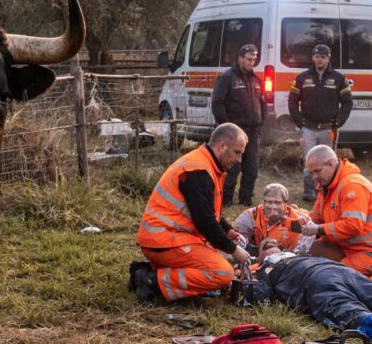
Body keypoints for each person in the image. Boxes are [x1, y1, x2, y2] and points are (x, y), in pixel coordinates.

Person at [130, 123, 252, 306]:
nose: (239, 159)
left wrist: (226, 230)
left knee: (220, 258)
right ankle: (151, 281)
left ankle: (148, 271)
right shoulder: (199, 171)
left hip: (168, 238)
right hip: (165, 241)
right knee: (222, 272)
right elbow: (205, 221)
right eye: (237, 152)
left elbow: (207, 213)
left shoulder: (205, 164)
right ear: (222, 147)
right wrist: (234, 250)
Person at [250, 239, 372, 343]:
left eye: (273, 245)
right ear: (260, 256)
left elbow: (260, 296)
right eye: (265, 247)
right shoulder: (264, 268)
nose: (270, 248)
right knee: (366, 300)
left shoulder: (271, 266)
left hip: (324, 274)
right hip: (329, 274)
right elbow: (261, 294)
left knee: (369, 301)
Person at [300, 145, 372, 284]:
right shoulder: (326, 187)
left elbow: (352, 226)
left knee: (335, 277)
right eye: (311, 173)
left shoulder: (352, 185)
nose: (314, 177)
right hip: (351, 247)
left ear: (330, 164)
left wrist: (319, 229)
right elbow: (316, 217)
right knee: (315, 250)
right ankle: (358, 273)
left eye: (317, 171)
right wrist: (296, 215)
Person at [287, 43, 353, 203]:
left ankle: (327, 193)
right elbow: (292, 100)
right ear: (313, 58)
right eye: (316, 56)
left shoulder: (339, 78)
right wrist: (299, 121)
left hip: (328, 130)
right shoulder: (302, 77)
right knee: (308, 161)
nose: (319, 60)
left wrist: (338, 122)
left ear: (328, 58)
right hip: (308, 129)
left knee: (329, 163)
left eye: (322, 57)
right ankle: (309, 194)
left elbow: (347, 102)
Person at [210, 44, 266, 206]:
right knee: (231, 169)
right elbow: (217, 104)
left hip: (253, 132)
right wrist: (227, 127)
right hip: (234, 132)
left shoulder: (257, 80)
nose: (251, 63)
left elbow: (262, 103)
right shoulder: (226, 78)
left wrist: (261, 121)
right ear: (240, 58)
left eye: (254, 59)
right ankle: (225, 200)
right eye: (248, 59)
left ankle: (245, 200)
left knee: (252, 168)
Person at [232, 183, 314, 256]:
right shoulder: (250, 216)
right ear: (263, 202)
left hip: (290, 258)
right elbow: (236, 244)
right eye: (269, 202)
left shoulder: (299, 219)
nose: (273, 207)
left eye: (277, 202)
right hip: (258, 255)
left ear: (286, 204)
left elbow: (307, 250)